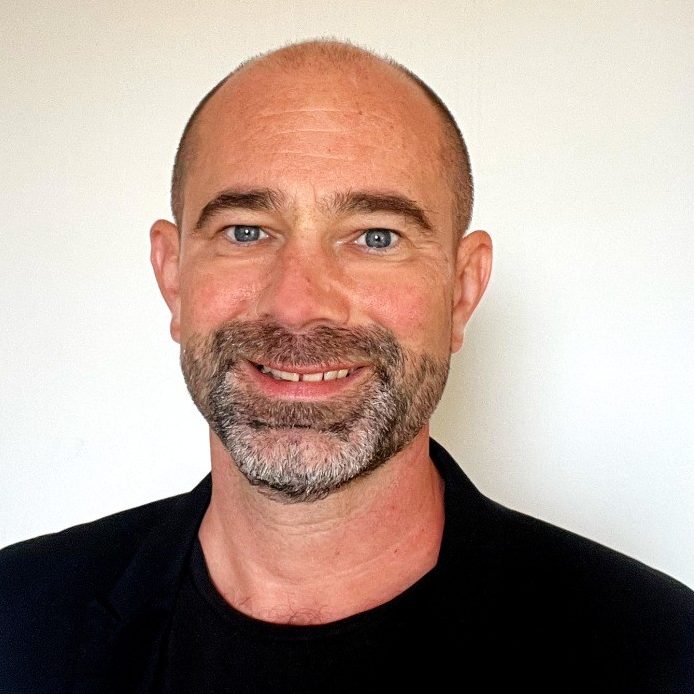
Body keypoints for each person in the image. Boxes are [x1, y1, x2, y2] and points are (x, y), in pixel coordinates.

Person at [1, 38, 692, 693]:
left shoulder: (659, 651)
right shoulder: (17, 619)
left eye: (376, 237)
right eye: (246, 230)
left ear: (461, 290)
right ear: (173, 276)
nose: (298, 305)